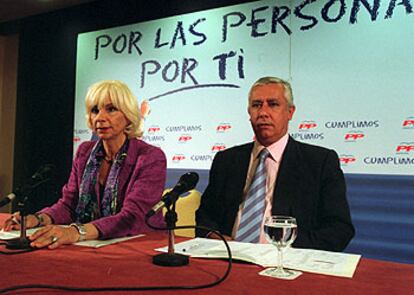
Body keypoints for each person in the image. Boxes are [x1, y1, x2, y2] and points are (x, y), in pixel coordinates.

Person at [196, 76, 355, 252]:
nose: (263, 112)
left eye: (273, 104)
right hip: (228, 258)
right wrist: (215, 238)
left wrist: (282, 249)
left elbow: (339, 229)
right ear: (249, 112)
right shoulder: (226, 160)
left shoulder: (320, 162)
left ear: (290, 112)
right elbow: (205, 216)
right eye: (256, 105)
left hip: (287, 262)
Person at [2, 80, 166, 249]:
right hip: (95, 244)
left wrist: (76, 232)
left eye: (111, 109)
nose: (100, 118)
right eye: (95, 110)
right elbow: (69, 205)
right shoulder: (85, 152)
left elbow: (132, 217)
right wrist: (37, 219)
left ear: (128, 116)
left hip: (140, 246)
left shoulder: (150, 157)